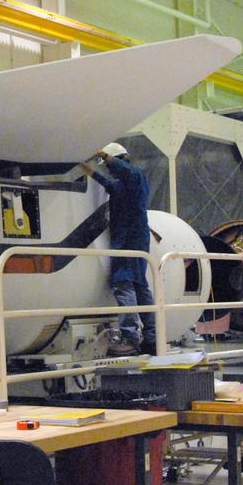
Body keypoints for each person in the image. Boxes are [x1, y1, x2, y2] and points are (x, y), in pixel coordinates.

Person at [83, 142, 155, 356]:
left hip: (130, 240)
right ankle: (152, 338)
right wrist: (85, 169)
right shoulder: (123, 185)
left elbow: (124, 172)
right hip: (132, 239)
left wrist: (104, 155)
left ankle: (131, 339)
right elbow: (106, 182)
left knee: (125, 285)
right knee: (140, 287)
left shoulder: (136, 176)